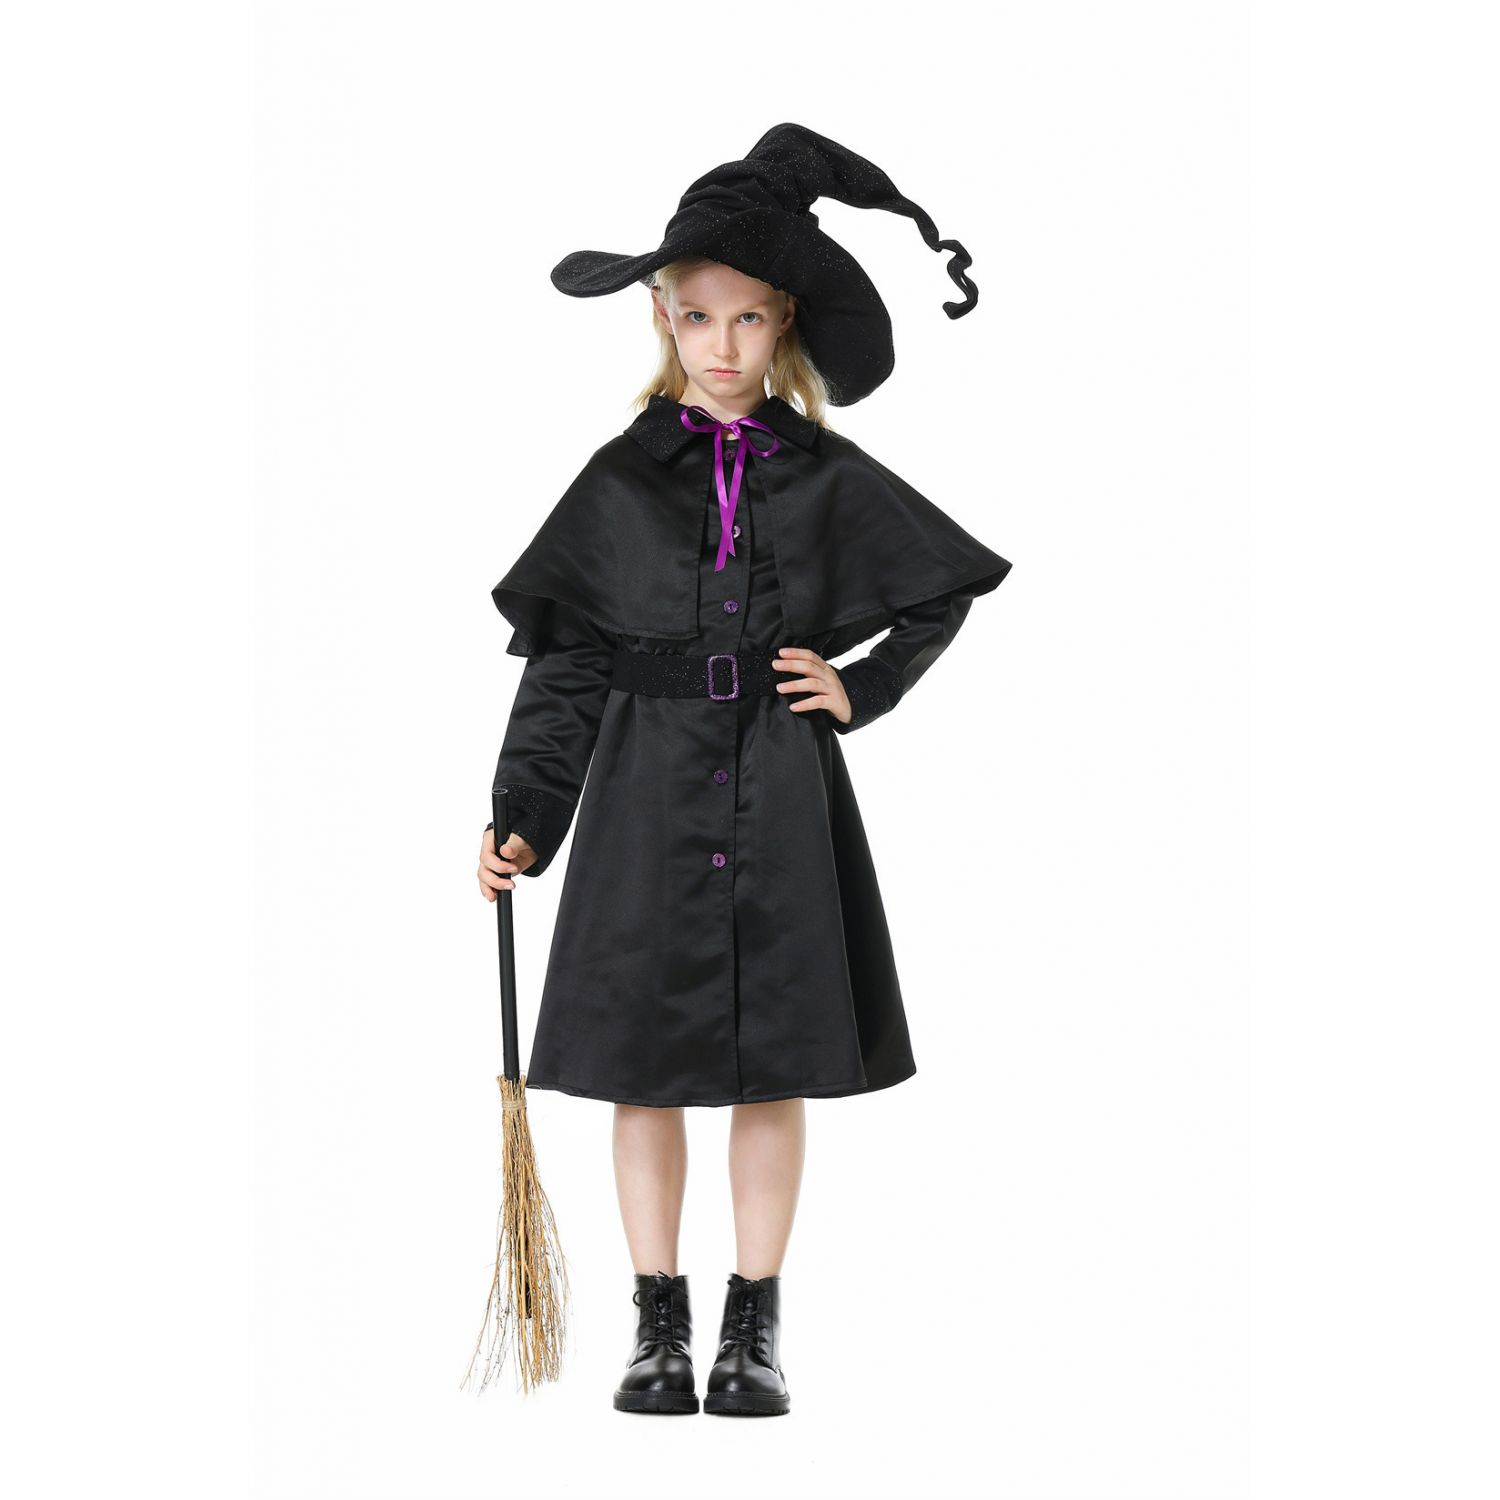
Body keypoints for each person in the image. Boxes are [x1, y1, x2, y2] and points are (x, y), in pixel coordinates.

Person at [474, 124, 1012, 1416]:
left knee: (774, 1060)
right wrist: (524, 813)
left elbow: (942, 587)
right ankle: (656, 1327)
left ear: (784, 328)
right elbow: (566, 664)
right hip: (643, 795)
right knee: (642, 1067)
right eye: (700, 315)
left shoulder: (824, 473)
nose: (723, 346)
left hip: (780, 785)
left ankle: (751, 1330)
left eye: (751, 319)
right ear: (663, 316)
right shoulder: (619, 482)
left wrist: (862, 684)